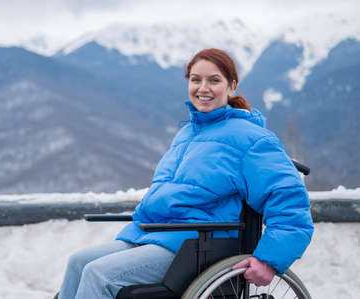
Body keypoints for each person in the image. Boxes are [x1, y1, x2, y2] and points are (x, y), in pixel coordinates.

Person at [56, 48, 314, 299]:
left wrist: (269, 260)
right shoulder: (187, 134)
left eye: (214, 80)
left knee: (99, 275)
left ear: (231, 86)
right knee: (78, 262)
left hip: (199, 243)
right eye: (195, 79)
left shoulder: (252, 139)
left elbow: (288, 199)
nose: (203, 88)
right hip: (155, 233)